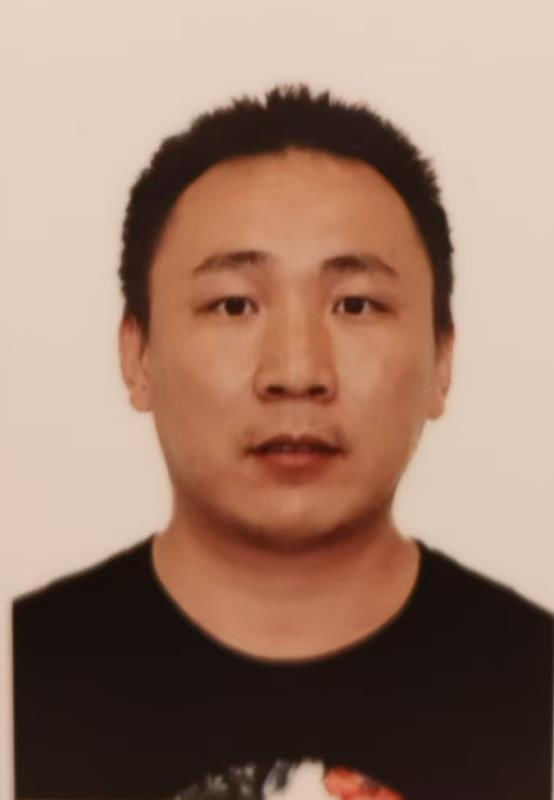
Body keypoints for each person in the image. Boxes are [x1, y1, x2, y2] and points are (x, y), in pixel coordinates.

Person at [12, 84, 553, 800]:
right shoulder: (21, 673)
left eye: (355, 304)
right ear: (137, 355)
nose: (297, 372)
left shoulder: (538, 680)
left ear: (442, 362)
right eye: (234, 304)